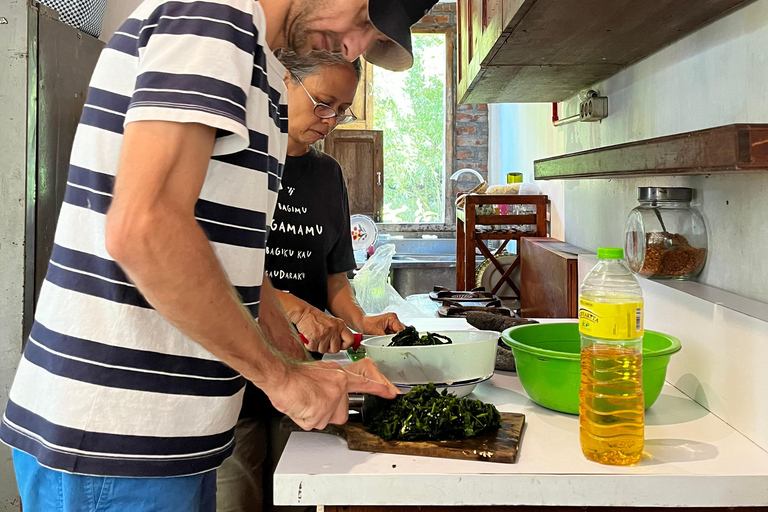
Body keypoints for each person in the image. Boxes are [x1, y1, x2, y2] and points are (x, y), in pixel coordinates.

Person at [1, 0, 438, 511]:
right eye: (364, 19)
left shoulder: (262, 73)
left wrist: (314, 368)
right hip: (119, 443)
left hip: (169, 443)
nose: (356, 46)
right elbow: (145, 230)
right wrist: (281, 380)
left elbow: (237, 272)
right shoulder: (216, 18)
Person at [217, 50, 405, 512]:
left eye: (343, 109)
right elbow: (215, 266)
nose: (332, 120)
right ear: (283, 81)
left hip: (308, 380)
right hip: (233, 380)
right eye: (323, 102)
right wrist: (295, 308)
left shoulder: (328, 175)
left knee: (299, 501)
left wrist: (362, 323)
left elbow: (335, 280)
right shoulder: (237, 156)